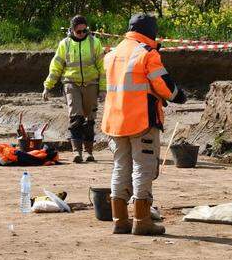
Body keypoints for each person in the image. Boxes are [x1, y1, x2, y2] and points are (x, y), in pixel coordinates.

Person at [101, 13, 187, 236]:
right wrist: (179, 96)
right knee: (143, 168)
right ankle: (142, 220)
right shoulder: (147, 54)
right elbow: (164, 85)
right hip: (141, 120)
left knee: (120, 167)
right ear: (150, 31)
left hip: (115, 121)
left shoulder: (112, 54)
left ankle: (120, 220)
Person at [42, 15, 106, 163]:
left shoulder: (94, 43)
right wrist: (48, 86)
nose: (82, 34)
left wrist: (103, 89)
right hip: (71, 84)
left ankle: (88, 152)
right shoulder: (65, 44)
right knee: (76, 117)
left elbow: (103, 69)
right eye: (79, 32)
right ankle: (77, 152)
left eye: (85, 31)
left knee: (90, 119)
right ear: (72, 30)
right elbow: (56, 67)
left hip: (91, 84)